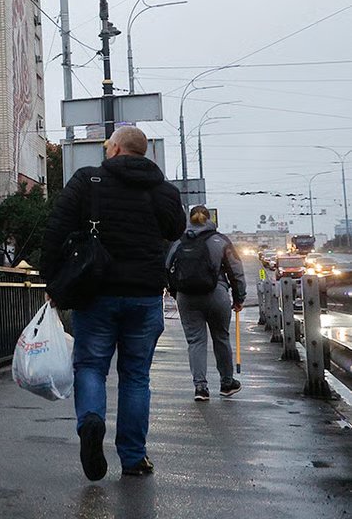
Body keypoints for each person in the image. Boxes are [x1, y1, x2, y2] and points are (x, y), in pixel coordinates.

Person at [41, 126, 186, 481]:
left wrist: (54, 283)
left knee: (90, 366)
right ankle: (134, 458)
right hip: (145, 296)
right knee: (136, 377)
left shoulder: (88, 181)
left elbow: (56, 231)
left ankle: (91, 420)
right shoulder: (163, 190)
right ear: (145, 154)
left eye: (108, 147)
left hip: (96, 293)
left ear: (117, 149)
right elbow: (177, 228)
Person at [166, 205, 246, 401]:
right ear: (210, 219)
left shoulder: (179, 242)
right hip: (216, 295)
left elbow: (168, 268)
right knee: (221, 338)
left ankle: (200, 388)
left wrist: (176, 293)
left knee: (195, 341)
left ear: (189, 220)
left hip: (187, 297)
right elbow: (236, 272)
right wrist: (238, 298)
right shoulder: (220, 240)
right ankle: (227, 383)